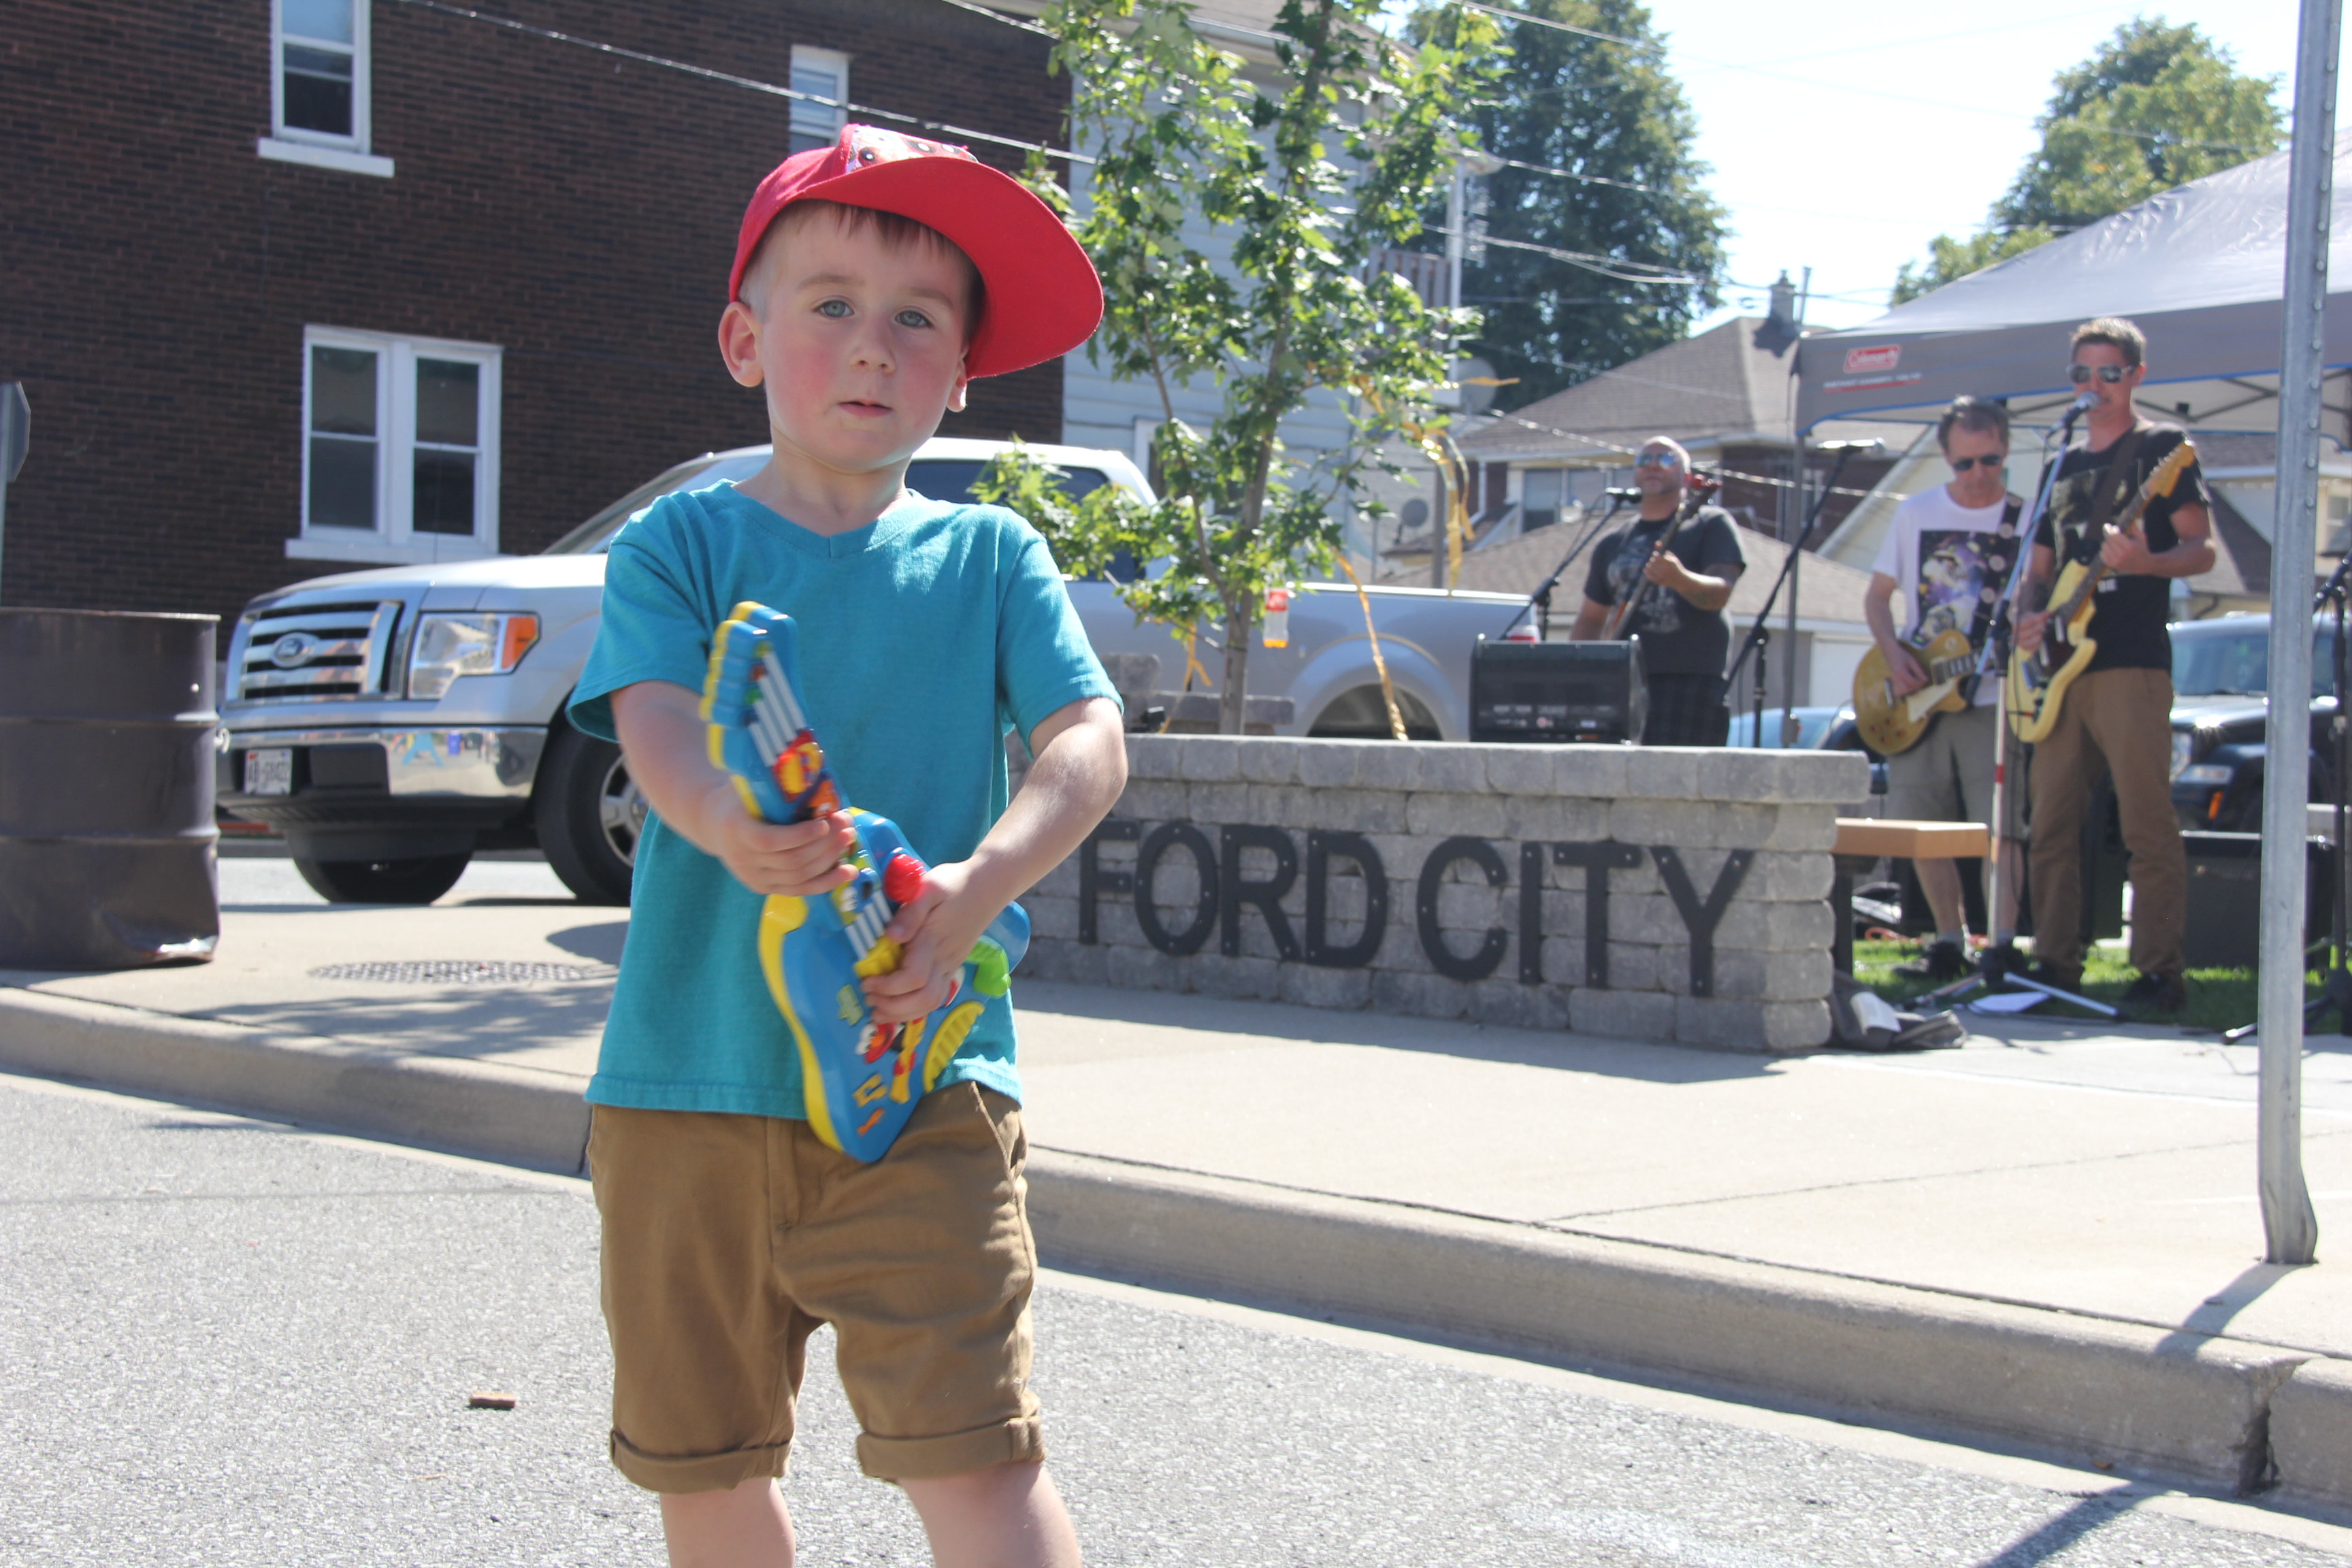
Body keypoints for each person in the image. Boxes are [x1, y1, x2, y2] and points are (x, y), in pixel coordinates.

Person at [565, 125, 1126, 1567]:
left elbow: (1088, 746)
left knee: (979, 1458)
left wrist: (972, 888)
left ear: (961, 369)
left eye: (916, 319)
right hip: (687, 1090)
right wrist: (727, 827)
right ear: (746, 339)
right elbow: (660, 733)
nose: (873, 346)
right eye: (832, 306)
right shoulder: (678, 546)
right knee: (710, 1465)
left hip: (925, 1078)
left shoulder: (995, 556)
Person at [2016, 317, 2214, 1017]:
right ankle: (2053, 965)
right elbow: (2036, 571)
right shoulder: (2058, 466)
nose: (2093, 386)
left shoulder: (2161, 449)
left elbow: (2202, 551)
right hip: (2059, 668)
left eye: (2108, 373)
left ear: (2135, 376)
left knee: (2144, 821)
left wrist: (2146, 561)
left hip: (2129, 659)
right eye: (2081, 374)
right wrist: (2028, 616)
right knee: (2050, 823)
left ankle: (2160, 972)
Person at [1865, 396, 2027, 981]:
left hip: (1990, 693)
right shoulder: (1915, 513)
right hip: (1920, 692)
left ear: (2007, 452)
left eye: (1991, 462)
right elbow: (1878, 596)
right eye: (1964, 464)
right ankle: (1946, 940)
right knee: (1925, 823)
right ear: (1945, 458)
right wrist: (1893, 657)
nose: (1979, 475)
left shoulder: (2025, 519)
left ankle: (2003, 943)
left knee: (1998, 826)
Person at [1569, 435, 1747, 745]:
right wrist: (1584, 674)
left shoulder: (1709, 524)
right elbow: (1591, 618)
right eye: (1644, 460)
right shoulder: (1613, 541)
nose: (1653, 465)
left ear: (1688, 478)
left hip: (1689, 679)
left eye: (1665, 460)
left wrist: (1679, 579)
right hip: (1623, 678)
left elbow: (1720, 594)